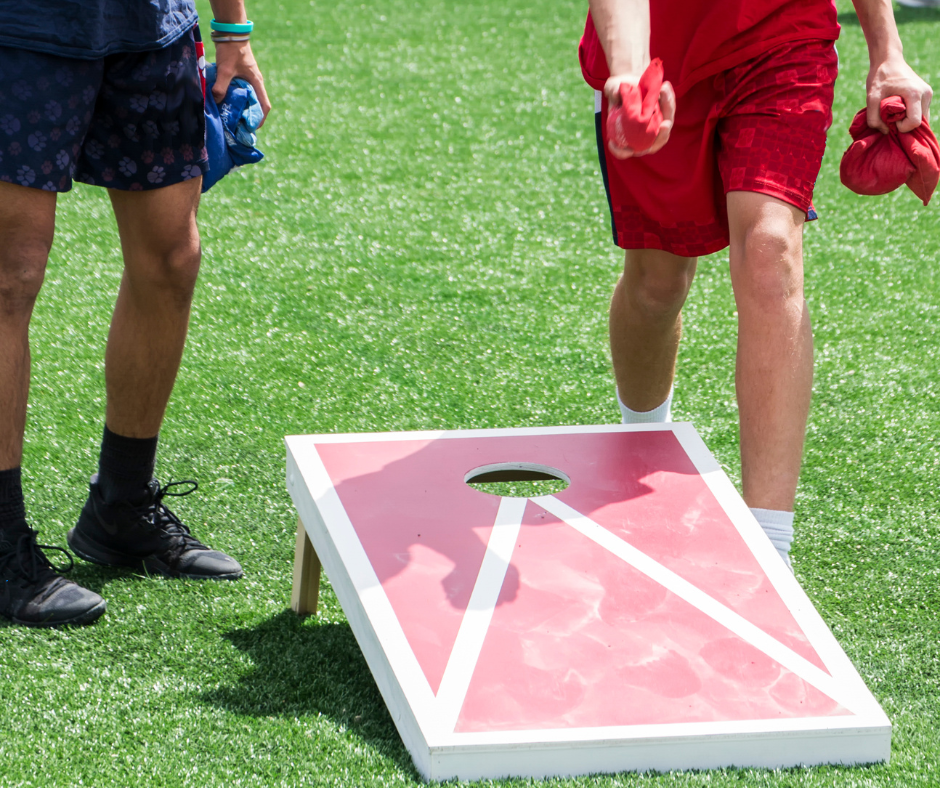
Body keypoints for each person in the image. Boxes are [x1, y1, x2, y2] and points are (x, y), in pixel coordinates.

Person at [581, 0, 932, 567]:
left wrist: (886, 50)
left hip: (782, 37)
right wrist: (630, 69)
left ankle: (771, 552)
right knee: (656, 284)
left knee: (771, 251)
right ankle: (643, 444)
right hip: (657, 57)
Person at [0, 0, 271, 626]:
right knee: (9, 276)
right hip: (19, 30)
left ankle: (121, 507)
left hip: (150, 27)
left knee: (173, 257)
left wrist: (233, 28)